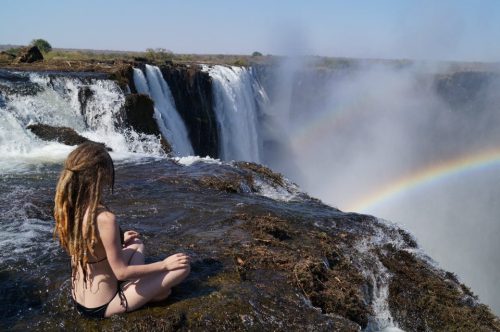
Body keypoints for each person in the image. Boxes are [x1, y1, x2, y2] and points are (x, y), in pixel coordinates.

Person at [54, 142, 190, 319]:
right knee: (181, 269)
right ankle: (146, 291)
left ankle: (144, 288)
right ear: (101, 177)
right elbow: (121, 272)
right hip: (103, 305)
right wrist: (164, 264)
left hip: (80, 297)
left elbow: (91, 244)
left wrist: (120, 239)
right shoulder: (105, 219)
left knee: (136, 244)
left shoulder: (67, 208)